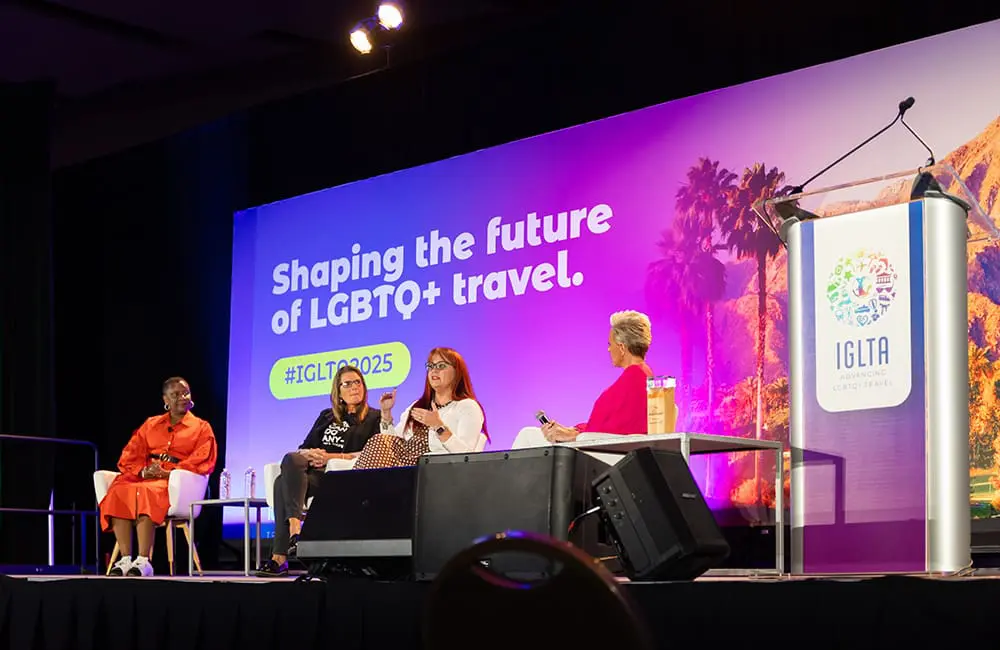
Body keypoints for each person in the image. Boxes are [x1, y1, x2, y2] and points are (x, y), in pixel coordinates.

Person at [256, 365, 380, 577]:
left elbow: (373, 452)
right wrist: (311, 453)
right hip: (312, 475)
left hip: (340, 478)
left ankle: (280, 557)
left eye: (357, 382)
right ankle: (295, 530)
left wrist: (329, 457)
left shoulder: (374, 418)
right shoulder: (326, 417)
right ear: (338, 392)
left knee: (280, 483)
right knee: (290, 460)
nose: (354, 387)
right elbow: (303, 446)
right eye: (347, 384)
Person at [100, 377, 217, 577]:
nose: (182, 397)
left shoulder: (201, 427)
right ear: (166, 399)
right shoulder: (151, 424)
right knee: (119, 490)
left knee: (146, 491)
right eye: (176, 394)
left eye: (186, 393)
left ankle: (144, 561)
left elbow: (203, 458)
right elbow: (130, 453)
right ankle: (126, 560)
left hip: (174, 482)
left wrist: (171, 472)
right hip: (147, 474)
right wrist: (143, 471)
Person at [518, 310, 653, 446]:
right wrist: (571, 430)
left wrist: (571, 435)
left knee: (527, 435)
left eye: (609, 344)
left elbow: (609, 433)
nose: (608, 349)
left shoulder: (632, 379)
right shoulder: (643, 375)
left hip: (594, 451)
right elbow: (609, 427)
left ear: (622, 348)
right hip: (593, 444)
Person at [355, 347, 487, 469]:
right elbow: (391, 444)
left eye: (441, 366)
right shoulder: (417, 406)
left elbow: (466, 456)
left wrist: (438, 426)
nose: (434, 370)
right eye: (431, 366)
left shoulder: (467, 406)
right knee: (379, 441)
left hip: (430, 469)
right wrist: (386, 414)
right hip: (402, 467)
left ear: (457, 372)